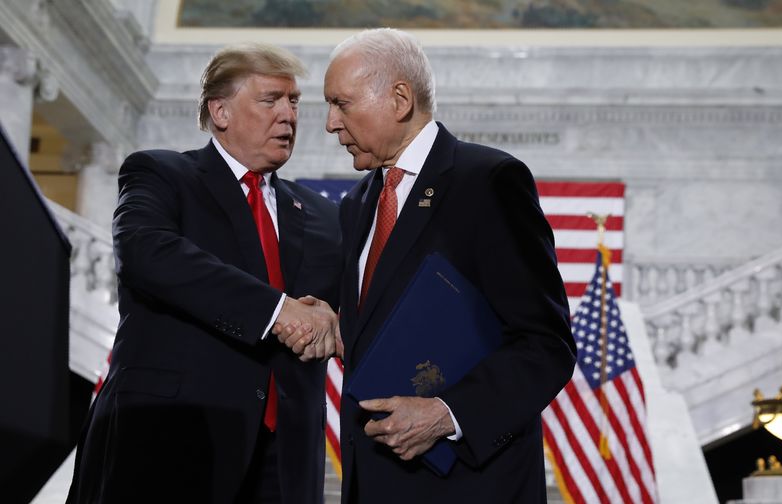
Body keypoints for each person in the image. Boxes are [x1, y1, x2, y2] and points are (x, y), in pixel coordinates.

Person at [67, 43, 342, 504]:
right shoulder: (162, 173)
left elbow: (348, 305)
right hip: (171, 444)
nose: (288, 116)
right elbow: (147, 251)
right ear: (220, 111)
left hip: (285, 461)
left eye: (294, 101)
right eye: (270, 99)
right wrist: (277, 312)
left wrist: (334, 320)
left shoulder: (321, 214)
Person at [323, 28, 577, 502]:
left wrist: (448, 413)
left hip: (468, 486)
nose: (330, 124)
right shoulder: (357, 205)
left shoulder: (489, 181)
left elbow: (546, 344)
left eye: (341, 103)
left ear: (399, 99)